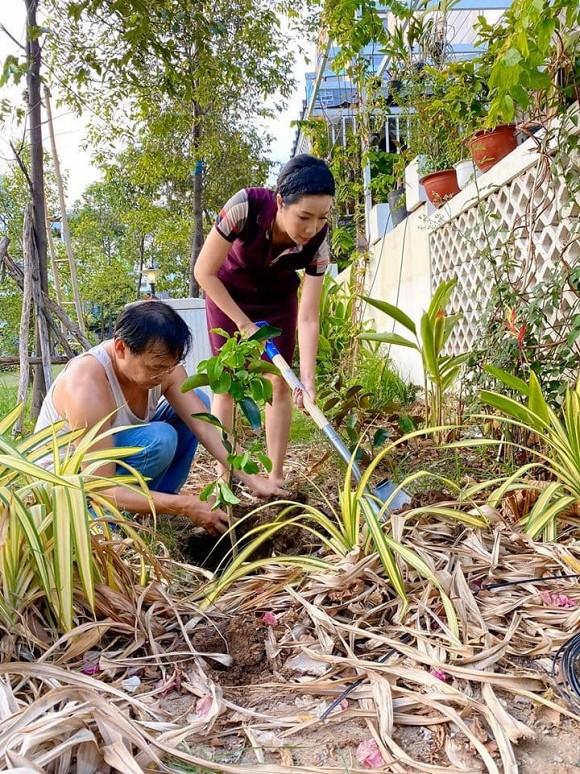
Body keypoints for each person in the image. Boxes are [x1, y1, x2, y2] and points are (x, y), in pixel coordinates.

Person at [35, 300, 285, 535]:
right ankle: (111, 525)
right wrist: (186, 505)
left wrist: (253, 479)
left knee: (198, 401)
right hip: (73, 488)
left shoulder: (166, 369)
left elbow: (206, 428)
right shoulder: (87, 384)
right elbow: (101, 487)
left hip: (113, 464)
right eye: (155, 367)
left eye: (169, 366)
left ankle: (154, 508)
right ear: (121, 348)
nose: (163, 375)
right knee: (160, 438)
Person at [194, 154, 335, 487]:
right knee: (226, 384)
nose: (311, 228)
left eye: (321, 218)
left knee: (280, 383)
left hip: (276, 301)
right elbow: (204, 271)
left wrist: (308, 379)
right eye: (304, 216)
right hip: (227, 294)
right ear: (280, 202)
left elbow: (309, 316)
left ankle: (276, 477)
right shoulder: (245, 207)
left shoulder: (318, 243)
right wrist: (243, 324)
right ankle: (224, 475)